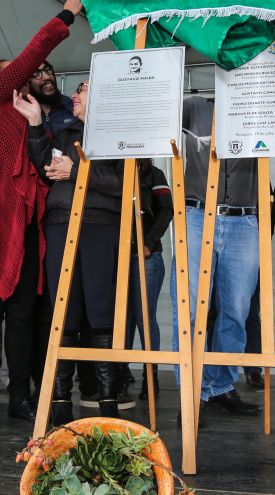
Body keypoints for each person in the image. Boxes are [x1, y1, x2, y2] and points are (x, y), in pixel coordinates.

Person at [0, 0, 84, 430]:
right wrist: (67, 14)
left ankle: (20, 397)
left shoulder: (36, 117)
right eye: (16, 74)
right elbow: (32, 55)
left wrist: (35, 128)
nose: (24, 77)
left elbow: (46, 174)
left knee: (26, 314)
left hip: (28, 226)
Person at [24, 78, 124, 426]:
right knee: (64, 312)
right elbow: (45, 167)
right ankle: (62, 398)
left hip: (102, 224)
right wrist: (36, 124)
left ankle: (107, 397)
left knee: (101, 314)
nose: (74, 95)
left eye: (81, 89)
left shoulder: (122, 132)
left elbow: (127, 183)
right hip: (60, 222)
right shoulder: (65, 130)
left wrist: (77, 171)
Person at [173, 95, 262, 427]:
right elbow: (154, 113)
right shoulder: (195, 106)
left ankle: (221, 385)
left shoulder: (261, 102)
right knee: (189, 307)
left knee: (236, 310)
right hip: (196, 214)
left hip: (245, 220)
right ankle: (191, 393)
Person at [125, 159, 172, 399]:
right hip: (117, 253)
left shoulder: (153, 173)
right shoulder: (110, 169)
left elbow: (167, 208)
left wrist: (149, 241)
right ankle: (120, 373)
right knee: (123, 318)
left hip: (147, 254)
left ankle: (150, 378)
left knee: (144, 317)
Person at [27, 60, 76, 134]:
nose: (47, 77)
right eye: (36, 73)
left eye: (47, 70)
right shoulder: (24, 114)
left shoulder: (71, 107)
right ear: (27, 82)